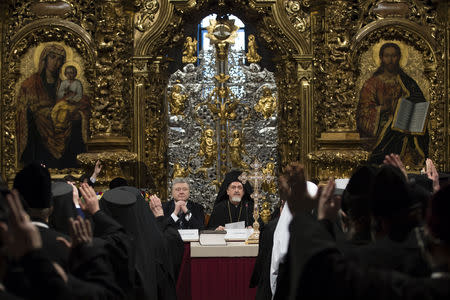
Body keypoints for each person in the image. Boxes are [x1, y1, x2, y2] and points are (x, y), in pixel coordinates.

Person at [16, 44, 90, 169]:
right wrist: (39, 111)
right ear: (44, 59)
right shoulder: (29, 84)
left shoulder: (64, 84)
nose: (56, 62)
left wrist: (75, 113)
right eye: (53, 57)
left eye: (60, 59)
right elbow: (22, 111)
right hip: (39, 136)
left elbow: (79, 102)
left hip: (62, 127)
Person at [356, 42, 429, 166]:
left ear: (399, 58)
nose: (390, 60)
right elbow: (363, 111)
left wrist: (405, 107)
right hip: (381, 129)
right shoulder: (372, 83)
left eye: (394, 56)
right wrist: (384, 108)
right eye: (387, 56)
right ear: (381, 58)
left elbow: (419, 102)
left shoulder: (407, 82)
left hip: (405, 127)